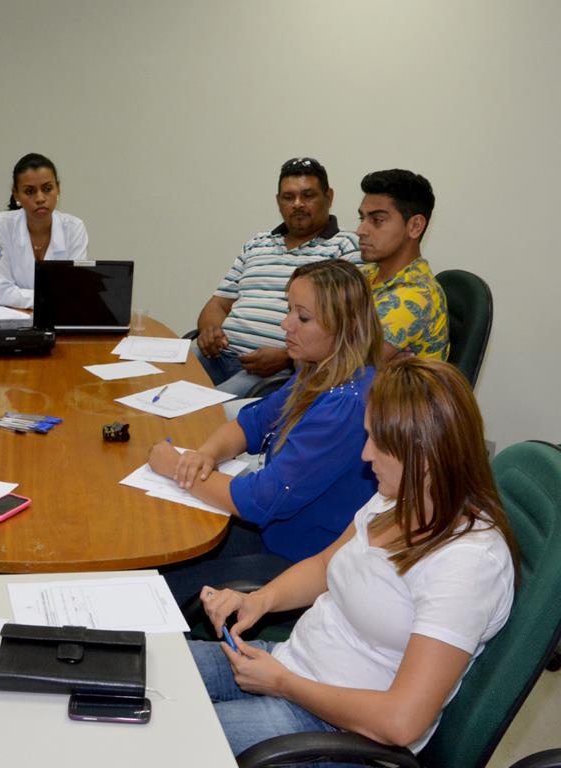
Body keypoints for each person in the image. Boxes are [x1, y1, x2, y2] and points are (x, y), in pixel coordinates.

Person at [189, 358, 517, 756]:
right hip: (291, 665)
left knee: (169, 741)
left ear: (424, 456)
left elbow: (401, 722)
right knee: (153, 672)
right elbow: (326, 564)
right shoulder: (395, 498)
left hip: (337, 730)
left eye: (378, 442)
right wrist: (259, 600)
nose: (365, 454)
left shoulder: (468, 563)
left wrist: (283, 684)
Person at [152, 260, 382, 605]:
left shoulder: (344, 406)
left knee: (157, 587)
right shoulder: (318, 372)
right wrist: (206, 454)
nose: (286, 324)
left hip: (297, 559)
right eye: (289, 310)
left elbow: (259, 500)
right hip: (274, 532)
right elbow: (253, 423)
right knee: (163, 539)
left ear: (344, 327)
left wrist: (176, 468)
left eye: (303, 317)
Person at [195, 157, 360, 396]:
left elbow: (345, 328)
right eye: (288, 197)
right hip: (217, 354)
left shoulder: (346, 247)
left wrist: (288, 357)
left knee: (205, 409)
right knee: (155, 381)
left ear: (329, 197)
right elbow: (218, 304)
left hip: (273, 372)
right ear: (278, 201)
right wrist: (209, 331)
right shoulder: (257, 243)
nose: (298, 204)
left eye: (308, 195)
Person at [357, 169, 450, 361]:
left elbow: (339, 367)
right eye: (362, 218)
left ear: (415, 226)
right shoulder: (367, 273)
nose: (360, 230)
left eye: (377, 220)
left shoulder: (414, 296)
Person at [0, 152, 88, 308]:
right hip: (12, 317)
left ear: (58, 189)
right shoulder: (2, 224)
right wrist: (50, 298)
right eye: (29, 191)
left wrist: (30, 298)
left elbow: (74, 290)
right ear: (16, 194)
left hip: (57, 317)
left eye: (47, 188)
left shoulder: (74, 228)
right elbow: (2, 291)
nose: (40, 198)